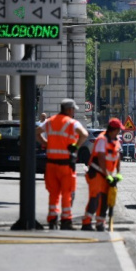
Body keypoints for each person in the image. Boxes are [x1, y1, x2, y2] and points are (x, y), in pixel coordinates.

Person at [36, 98, 88, 230]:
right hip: (65, 165)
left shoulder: (50, 121)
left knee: (53, 193)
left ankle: (52, 220)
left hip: (51, 164)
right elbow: (84, 134)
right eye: (73, 110)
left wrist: (46, 143)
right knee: (67, 193)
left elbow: (37, 133)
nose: (73, 113)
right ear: (69, 110)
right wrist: (75, 147)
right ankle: (66, 221)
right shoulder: (72, 123)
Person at [82, 118, 123, 232]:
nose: (119, 132)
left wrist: (118, 173)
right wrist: (108, 175)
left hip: (106, 175)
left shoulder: (116, 140)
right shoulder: (102, 140)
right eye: (119, 130)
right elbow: (101, 158)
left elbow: (118, 157)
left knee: (105, 200)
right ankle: (86, 223)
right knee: (95, 199)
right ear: (113, 130)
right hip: (96, 173)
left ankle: (100, 223)